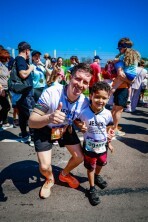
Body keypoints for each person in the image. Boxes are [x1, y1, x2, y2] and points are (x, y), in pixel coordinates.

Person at [28, 63, 93, 199]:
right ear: (70, 77)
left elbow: (76, 115)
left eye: (85, 82)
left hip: (64, 129)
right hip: (44, 128)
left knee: (79, 157)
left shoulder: (85, 102)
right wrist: (49, 118)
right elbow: (32, 121)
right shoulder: (51, 92)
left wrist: (80, 124)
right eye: (78, 79)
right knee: (45, 167)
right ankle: (50, 179)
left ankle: (63, 175)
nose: (80, 84)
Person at [75, 81, 114, 205]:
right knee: (91, 167)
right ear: (91, 96)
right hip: (89, 147)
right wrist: (80, 126)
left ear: (108, 99)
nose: (100, 100)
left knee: (101, 163)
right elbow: (77, 121)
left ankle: (97, 176)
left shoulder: (108, 114)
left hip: (103, 146)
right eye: (97, 97)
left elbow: (109, 127)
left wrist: (110, 138)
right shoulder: (84, 112)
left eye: (104, 98)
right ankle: (92, 188)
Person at [15, 41, 35, 146]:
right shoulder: (21, 59)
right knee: (31, 115)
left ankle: (24, 135)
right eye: (29, 51)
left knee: (23, 116)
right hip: (25, 93)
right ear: (26, 50)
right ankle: (32, 137)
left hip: (20, 93)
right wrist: (31, 68)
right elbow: (23, 74)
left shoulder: (17, 60)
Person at [0, 49, 11, 129]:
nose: (8, 60)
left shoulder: (5, 66)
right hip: (2, 89)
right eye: (7, 58)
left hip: (6, 88)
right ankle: (3, 121)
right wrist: (1, 88)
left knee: (6, 106)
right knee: (6, 106)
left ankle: (4, 121)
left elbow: (6, 77)